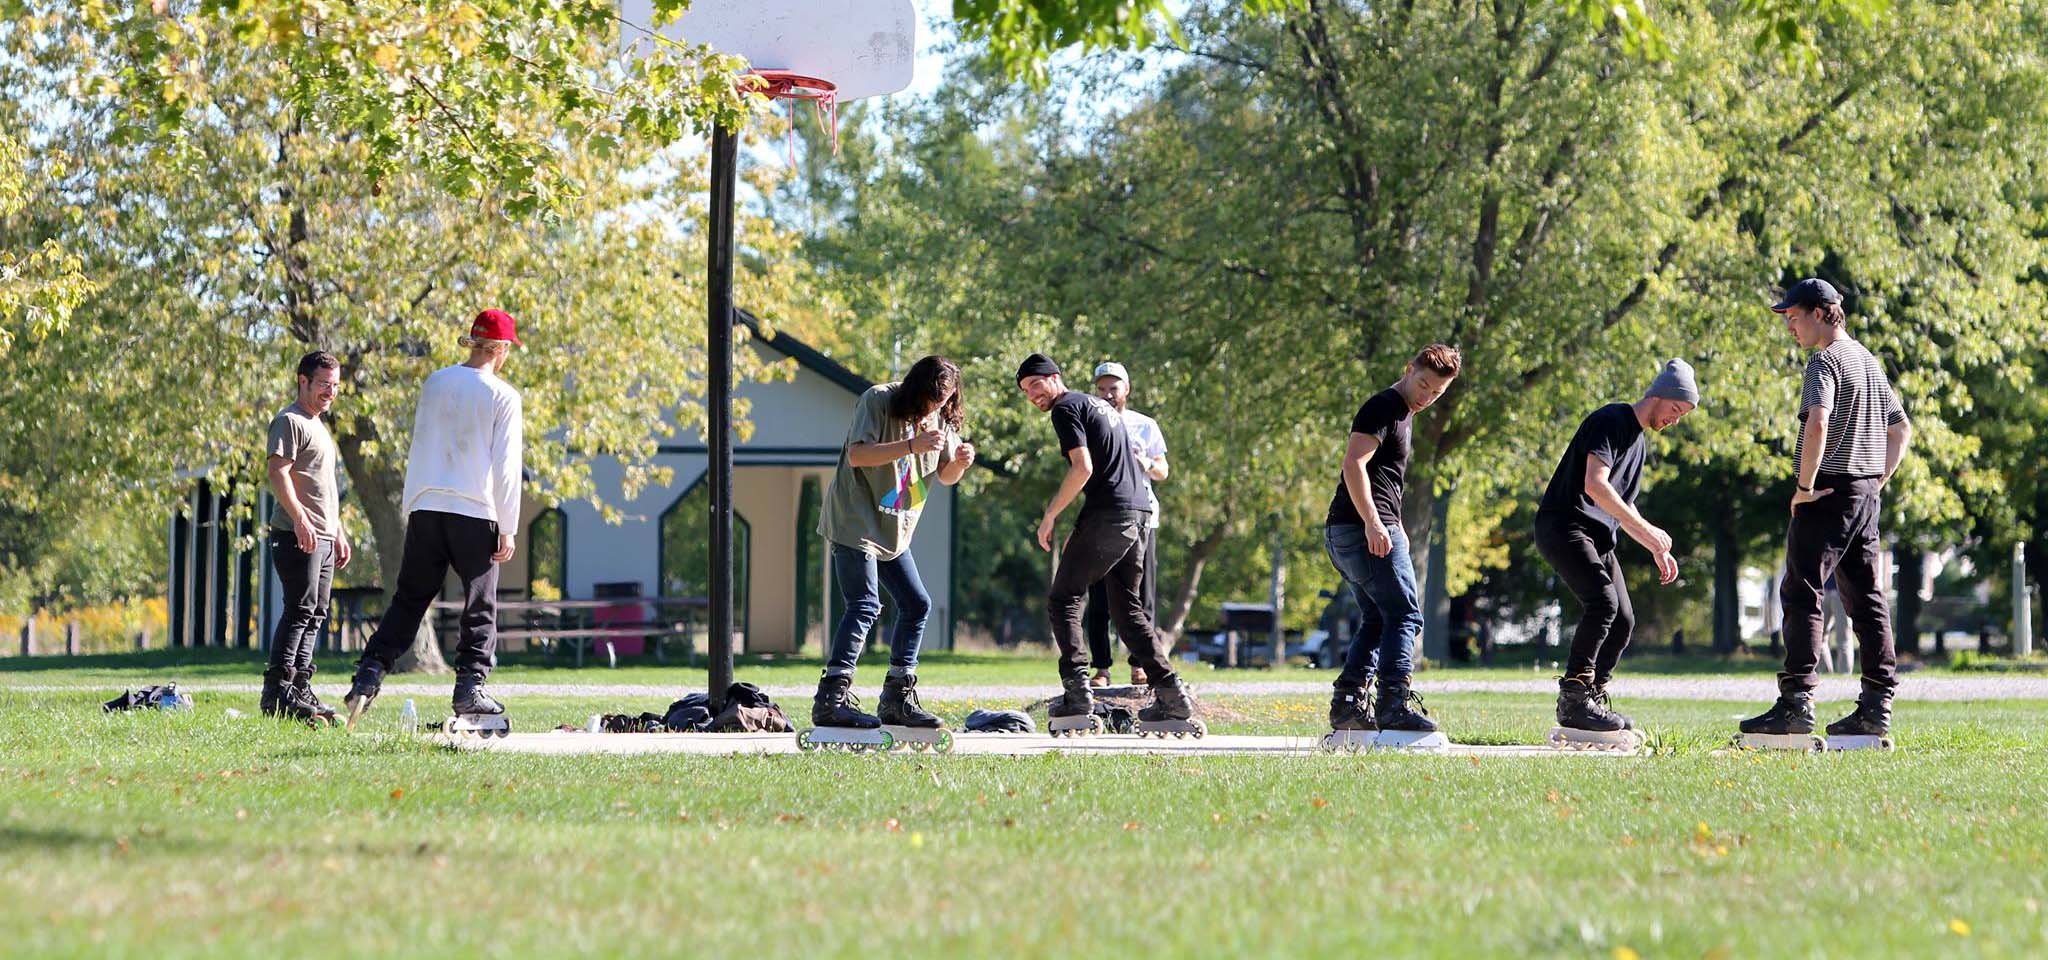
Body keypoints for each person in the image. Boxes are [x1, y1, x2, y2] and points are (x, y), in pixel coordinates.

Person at [1741, 279, 1911, 743]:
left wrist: (1805, 486)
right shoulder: (1868, 362)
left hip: (1827, 493)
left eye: (1794, 317)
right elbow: (1901, 430)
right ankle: (1876, 707)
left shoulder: (1825, 361)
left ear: (1820, 313)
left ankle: (1796, 704)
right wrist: (1876, 481)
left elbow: (1818, 421)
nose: (1791, 328)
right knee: (1866, 597)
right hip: (1864, 496)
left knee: (1802, 591)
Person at [343, 309, 525, 729]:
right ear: (499, 349)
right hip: (475, 510)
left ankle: (369, 674)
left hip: (427, 507)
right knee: (479, 604)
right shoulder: (503, 396)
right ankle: (470, 688)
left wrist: (413, 504)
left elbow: (421, 442)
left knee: (408, 602)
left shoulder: (436, 382)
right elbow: (505, 467)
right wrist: (509, 526)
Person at [1016, 353, 1200, 734]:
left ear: (1055, 378)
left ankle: (1077, 692)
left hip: (1111, 514)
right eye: (1025, 390)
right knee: (1127, 609)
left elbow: (1083, 468)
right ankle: (1171, 695)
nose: (1032, 394)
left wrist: (1051, 514)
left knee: (1063, 598)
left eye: (1036, 384)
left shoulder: (1065, 409)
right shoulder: (1099, 406)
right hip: (1138, 514)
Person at [810, 355, 976, 736]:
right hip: (855, 520)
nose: (932, 408)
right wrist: (912, 444)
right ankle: (831, 700)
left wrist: (962, 462)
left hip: (895, 530)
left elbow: (946, 475)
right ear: (913, 388)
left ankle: (896, 699)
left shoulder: (941, 420)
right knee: (865, 604)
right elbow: (858, 453)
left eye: (942, 401)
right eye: (928, 400)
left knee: (917, 604)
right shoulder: (878, 400)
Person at [1535, 360, 1698, 740]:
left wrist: (1655, 547)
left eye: (1683, 415)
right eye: (1676, 409)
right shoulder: (1613, 420)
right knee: (1603, 603)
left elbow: (1623, 505)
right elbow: (1596, 485)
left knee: (1623, 619)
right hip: (1565, 524)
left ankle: (1591, 696)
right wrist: (1648, 532)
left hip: (1597, 535)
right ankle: (1573, 699)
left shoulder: (1638, 444)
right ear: (1659, 396)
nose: (1676, 420)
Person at [1323, 344, 1461, 736]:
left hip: (1349, 529)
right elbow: (1353, 464)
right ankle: (1393, 704)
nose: (1426, 397)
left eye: (1436, 393)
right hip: (1364, 528)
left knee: (1377, 617)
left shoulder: (1402, 412)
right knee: (1405, 616)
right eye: (1422, 385)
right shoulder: (1383, 406)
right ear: (1408, 369)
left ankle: (1348, 704)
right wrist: (1374, 522)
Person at [261, 350, 351, 724]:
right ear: (303, 380)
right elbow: (278, 473)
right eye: (323, 385)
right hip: (297, 533)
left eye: (335, 386)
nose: (330, 392)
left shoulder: (320, 426)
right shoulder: (289, 420)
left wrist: (339, 530)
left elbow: (324, 486)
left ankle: (300, 686)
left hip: (325, 536)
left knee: (316, 614)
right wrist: (300, 519)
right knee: (299, 610)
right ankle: (277, 691)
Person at [1082, 360, 1169, 687]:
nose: (1107, 395)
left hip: (1142, 517)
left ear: (1126, 390)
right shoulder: (1091, 423)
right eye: (1101, 388)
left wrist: (1144, 461)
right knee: (1100, 596)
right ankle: (1101, 667)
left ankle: (1140, 663)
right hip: (1102, 516)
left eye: (1113, 388)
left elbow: (1163, 470)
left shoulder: (1144, 425)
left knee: (1140, 595)